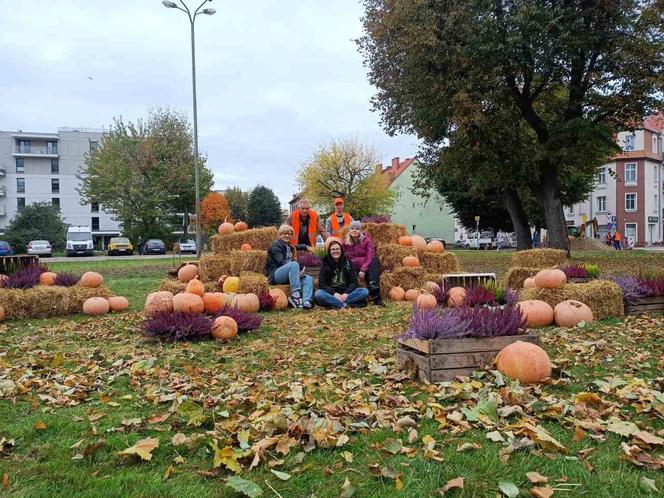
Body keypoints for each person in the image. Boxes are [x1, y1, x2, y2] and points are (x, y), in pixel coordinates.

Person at [265, 224, 314, 309]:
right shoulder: (275, 246)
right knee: (294, 264)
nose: (287, 235)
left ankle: (306, 301)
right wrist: (297, 271)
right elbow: (281, 262)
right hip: (275, 274)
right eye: (284, 233)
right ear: (280, 235)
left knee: (308, 278)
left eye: (289, 234)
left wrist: (306, 247)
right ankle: (295, 296)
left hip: (289, 273)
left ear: (291, 236)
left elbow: (297, 246)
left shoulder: (289, 247)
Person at [315, 238, 369, 309]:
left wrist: (346, 293)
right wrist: (334, 294)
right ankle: (344, 305)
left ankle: (335, 304)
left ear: (341, 250)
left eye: (337, 249)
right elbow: (322, 284)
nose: (335, 251)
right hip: (332, 294)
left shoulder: (348, 262)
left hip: (346, 294)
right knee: (319, 294)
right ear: (329, 251)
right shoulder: (325, 264)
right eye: (333, 249)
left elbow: (354, 282)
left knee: (364, 291)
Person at [343, 220, 384, 306]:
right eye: (352, 228)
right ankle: (371, 294)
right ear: (349, 231)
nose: (354, 230)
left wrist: (363, 270)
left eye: (357, 229)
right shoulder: (345, 242)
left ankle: (374, 289)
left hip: (366, 265)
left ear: (360, 231)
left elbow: (369, 256)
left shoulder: (366, 240)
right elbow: (338, 252)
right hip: (354, 266)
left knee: (375, 260)